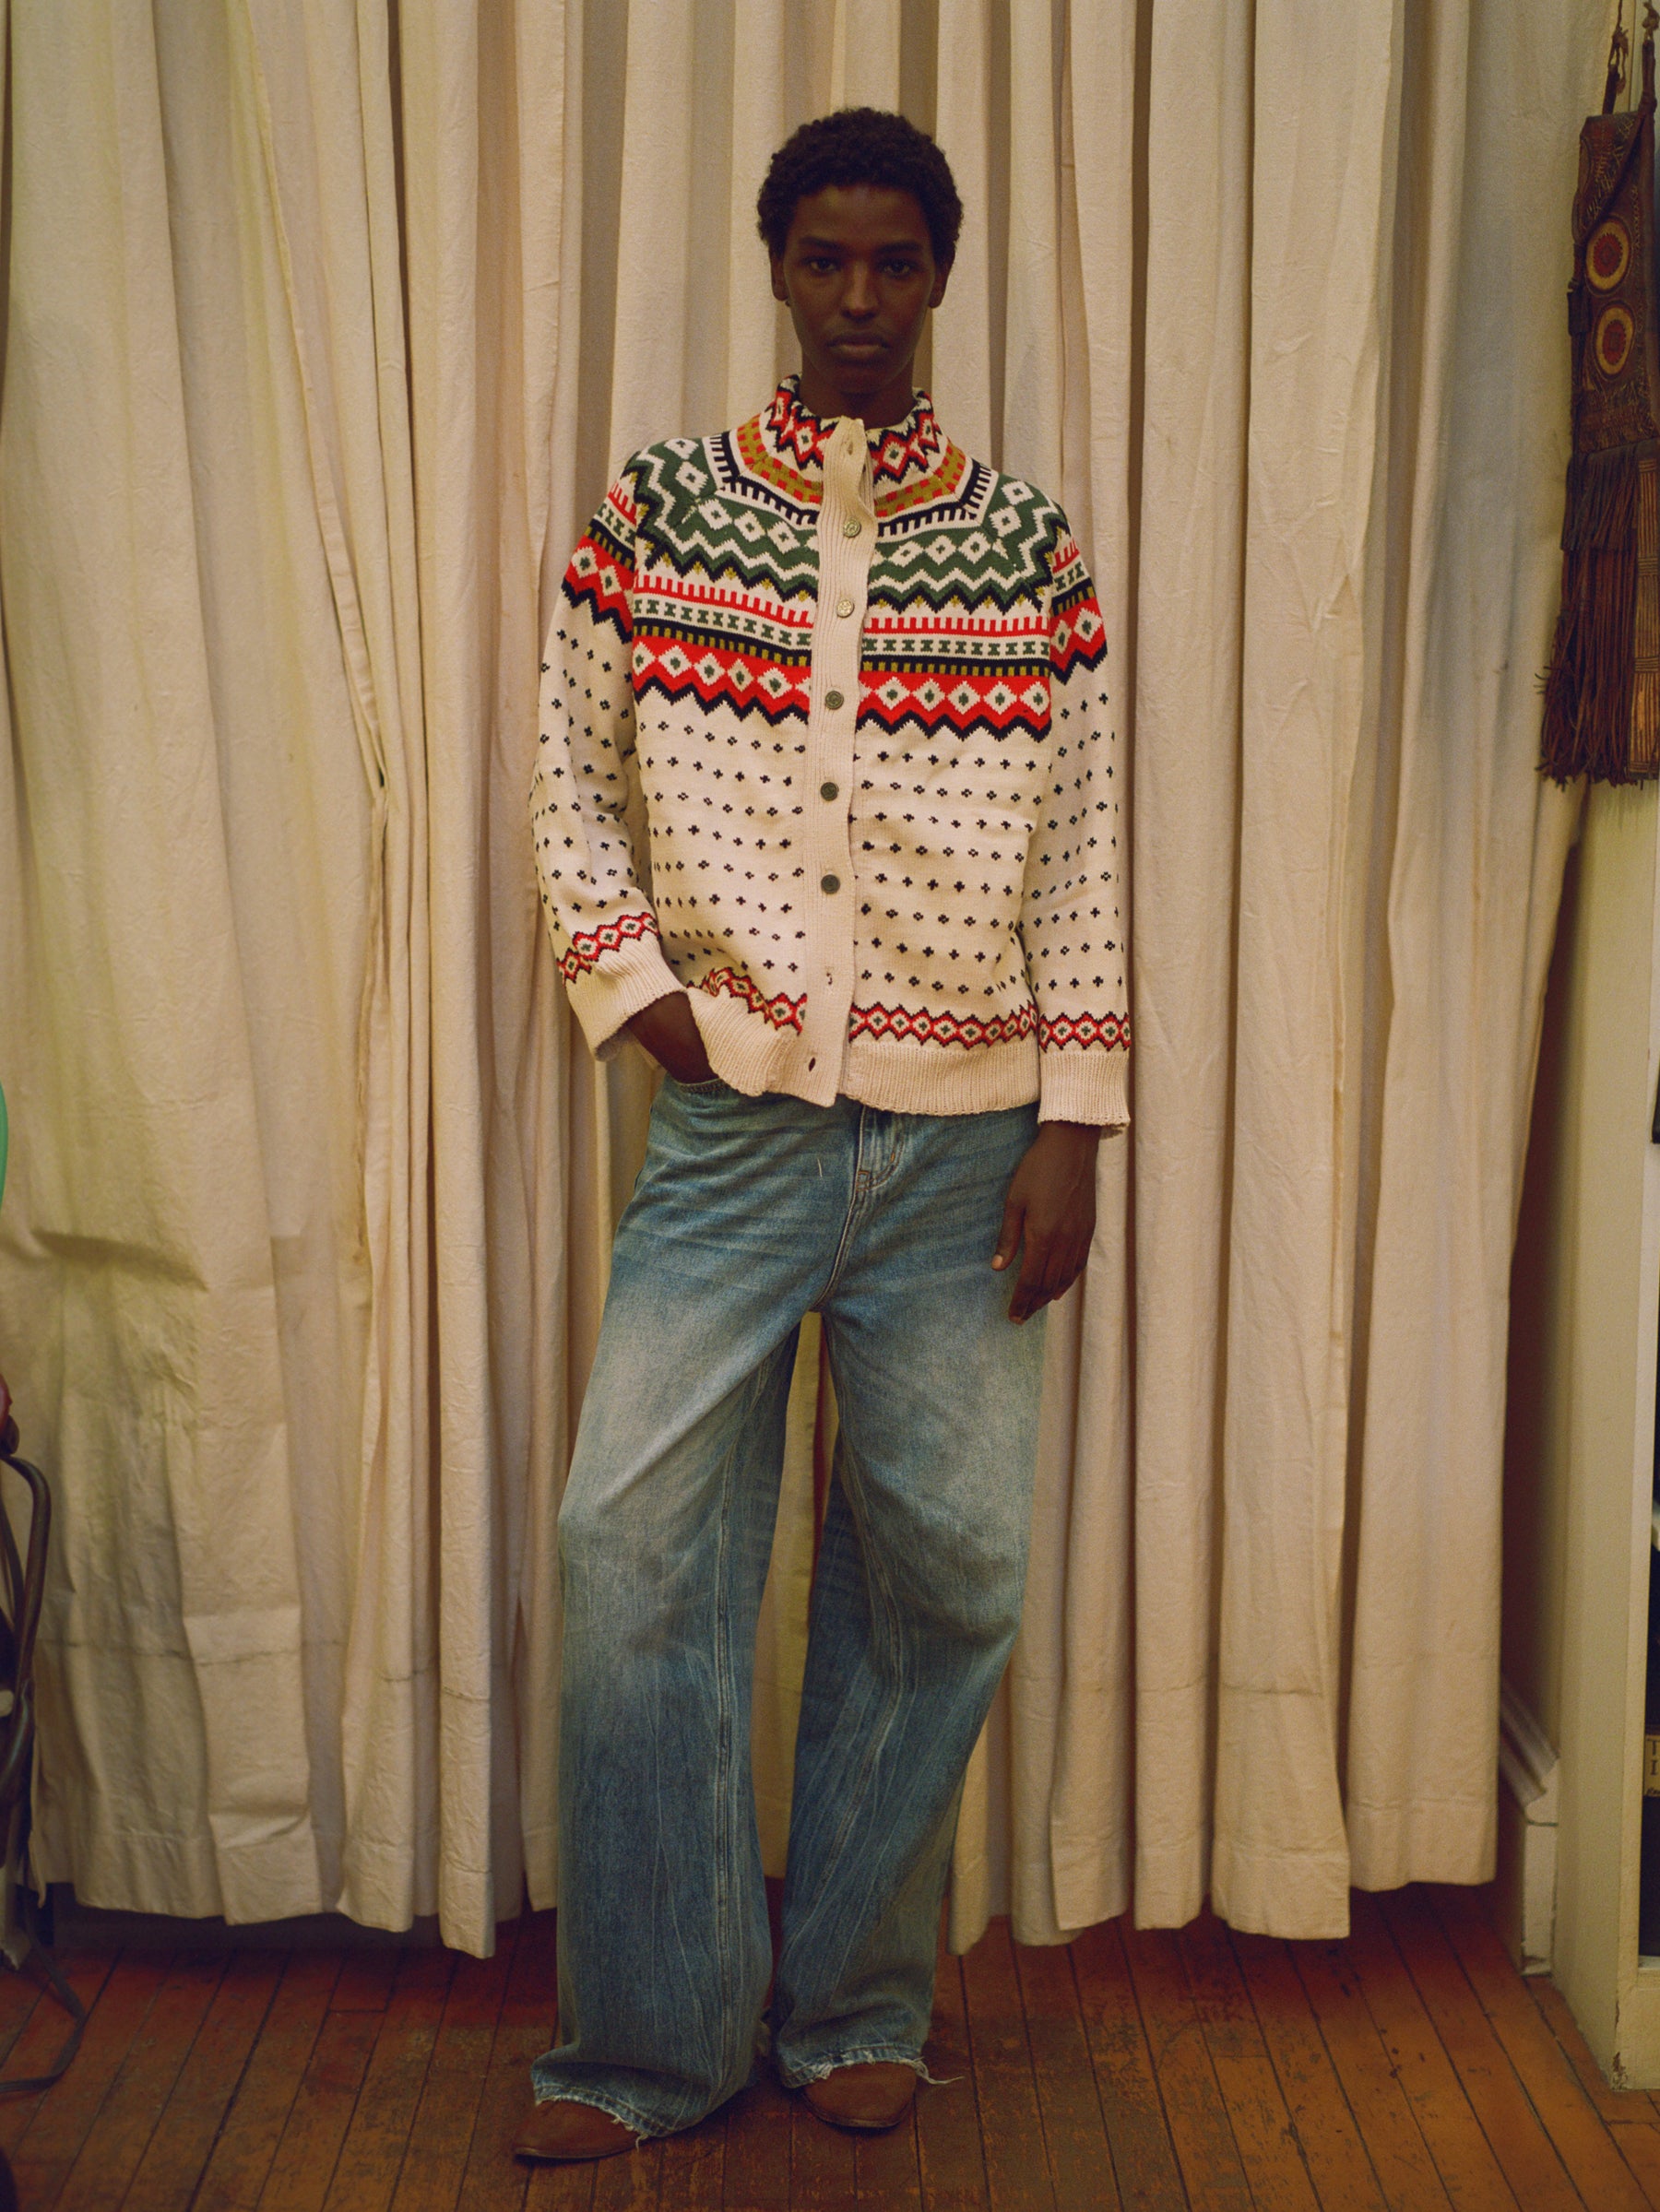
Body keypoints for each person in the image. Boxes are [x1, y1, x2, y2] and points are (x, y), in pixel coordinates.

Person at [518, 106, 1128, 2165]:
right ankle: (647, 2044)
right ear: (777, 268)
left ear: (943, 275)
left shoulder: (1033, 546)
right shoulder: (661, 513)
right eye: (825, 262)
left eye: (896, 264)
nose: (860, 300)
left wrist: (1080, 1119)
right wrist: (637, 987)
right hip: (734, 1144)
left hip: (968, 1150)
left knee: (943, 1574)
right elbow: (566, 783)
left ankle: (861, 2001)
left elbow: (1087, 857)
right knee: (635, 1561)